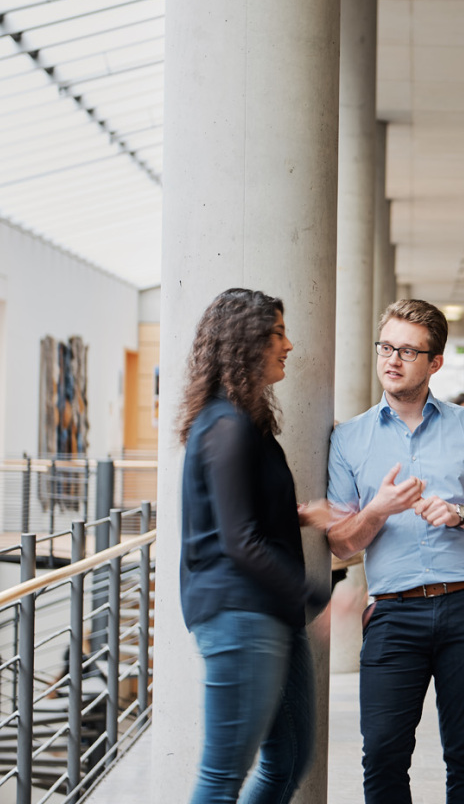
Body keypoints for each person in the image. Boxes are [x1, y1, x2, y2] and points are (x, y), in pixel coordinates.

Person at [325, 299, 464, 804]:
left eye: (408, 351)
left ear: (435, 362)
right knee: (385, 755)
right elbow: (340, 544)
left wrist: (462, 514)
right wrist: (378, 511)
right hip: (394, 614)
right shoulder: (349, 439)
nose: (392, 360)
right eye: (386, 347)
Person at [177, 288, 330, 804]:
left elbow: (238, 515)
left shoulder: (244, 424)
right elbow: (238, 542)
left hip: (268, 613)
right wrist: (319, 598)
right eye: (278, 333)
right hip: (241, 615)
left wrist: (297, 516)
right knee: (222, 778)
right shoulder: (225, 425)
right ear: (247, 343)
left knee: (288, 761)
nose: (289, 345)